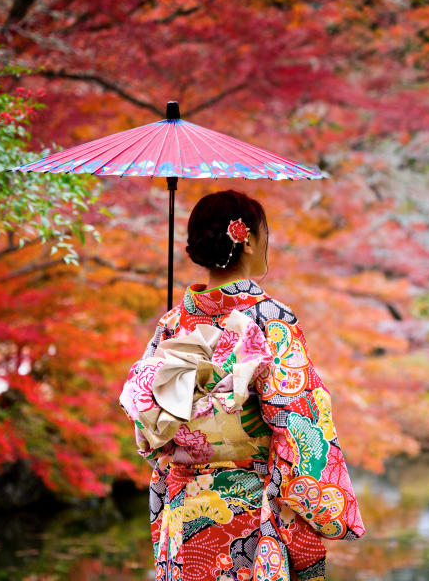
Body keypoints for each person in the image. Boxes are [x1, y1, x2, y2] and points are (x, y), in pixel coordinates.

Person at [124, 189, 364, 581]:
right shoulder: (271, 318)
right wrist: (313, 509)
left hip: (183, 510)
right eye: (265, 232)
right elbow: (300, 425)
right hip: (248, 510)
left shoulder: (171, 325)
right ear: (249, 238)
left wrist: (189, 451)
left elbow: (149, 432)